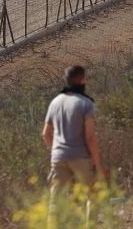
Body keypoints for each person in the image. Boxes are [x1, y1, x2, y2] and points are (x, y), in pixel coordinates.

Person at [42, 65, 105, 197]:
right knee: (92, 197)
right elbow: (90, 138)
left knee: (56, 200)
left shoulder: (55, 102)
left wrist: (57, 152)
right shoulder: (85, 103)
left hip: (58, 157)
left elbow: (46, 134)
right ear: (82, 80)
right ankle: (91, 219)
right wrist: (98, 165)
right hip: (79, 156)